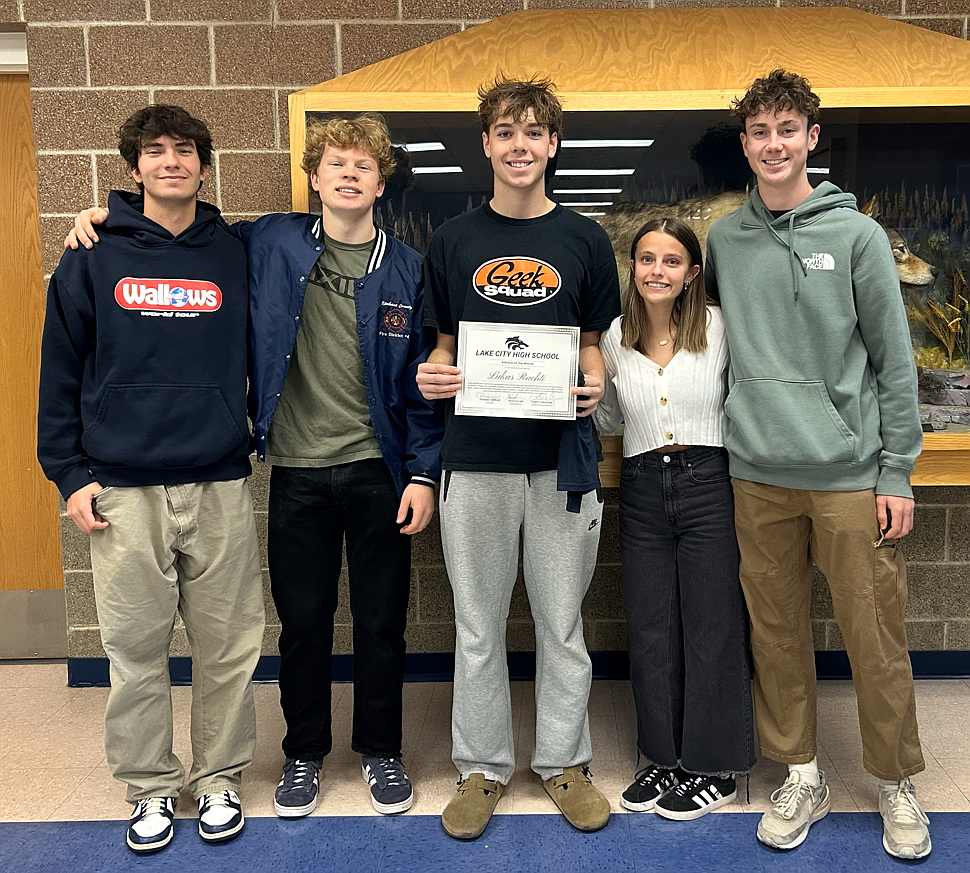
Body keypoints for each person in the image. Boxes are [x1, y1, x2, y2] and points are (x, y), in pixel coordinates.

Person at [68, 114, 442, 820]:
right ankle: (303, 752)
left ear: (381, 181)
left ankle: (380, 750)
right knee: (301, 621)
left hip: (377, 470)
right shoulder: (266, 240)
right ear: (314, 177)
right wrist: (105, 218)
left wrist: (423, 471)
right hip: (295, 470)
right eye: (336, 163)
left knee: (382, 621)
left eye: (364, 165)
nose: (350, 174)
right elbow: (178, 233)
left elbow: (422, 379)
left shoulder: (407, 267)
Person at [705, 69, 929, 859]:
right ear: (746, 145)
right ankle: (802, 770)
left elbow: (894, 366)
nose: (773, 144)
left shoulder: (857, 237)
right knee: (775, 632)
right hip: (756, 471)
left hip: (847, 474)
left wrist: (897, 469)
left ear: (811, 139)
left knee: (875, 634)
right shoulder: (724, 241)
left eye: (787, 129)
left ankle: (897, 780)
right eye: (759, 131)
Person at [39, 105, 265, 854]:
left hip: (218, 478)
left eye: (186, 150)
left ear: (205, 165)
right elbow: (61, 367)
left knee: (228, 644)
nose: (172, 161)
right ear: (132, 168)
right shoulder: (93, 252)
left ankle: (221, 776)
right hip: (122, 485)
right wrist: (69, 473)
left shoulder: (235, 250)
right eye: (155, 150)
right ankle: (150, 787)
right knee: (135, 648)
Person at [416, 76, 621, 840]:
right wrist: (431, 375)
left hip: (560, 461)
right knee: (479, 623)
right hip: (474, 460)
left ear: (554, 145)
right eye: (506, 132)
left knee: (561, 622)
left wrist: (593, 381)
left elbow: (594, 346)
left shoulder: (584, 239)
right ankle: (481, 766)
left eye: (534, 132)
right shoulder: (454, 239)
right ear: (486, 145)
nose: (520, 145)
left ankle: (564, 761)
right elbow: (441, 349)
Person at [594, 217, 755, 820]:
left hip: (708, 484)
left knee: (711, 626)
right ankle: (663, 758)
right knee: (652, 627)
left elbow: (743, 401)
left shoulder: (720, 329)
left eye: (671, 261)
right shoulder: (614, 336)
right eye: (646, 260)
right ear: (632, 269)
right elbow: (609, 418)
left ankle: (712, 765)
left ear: (692, 273)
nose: (657, 271)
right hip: (639, 488)